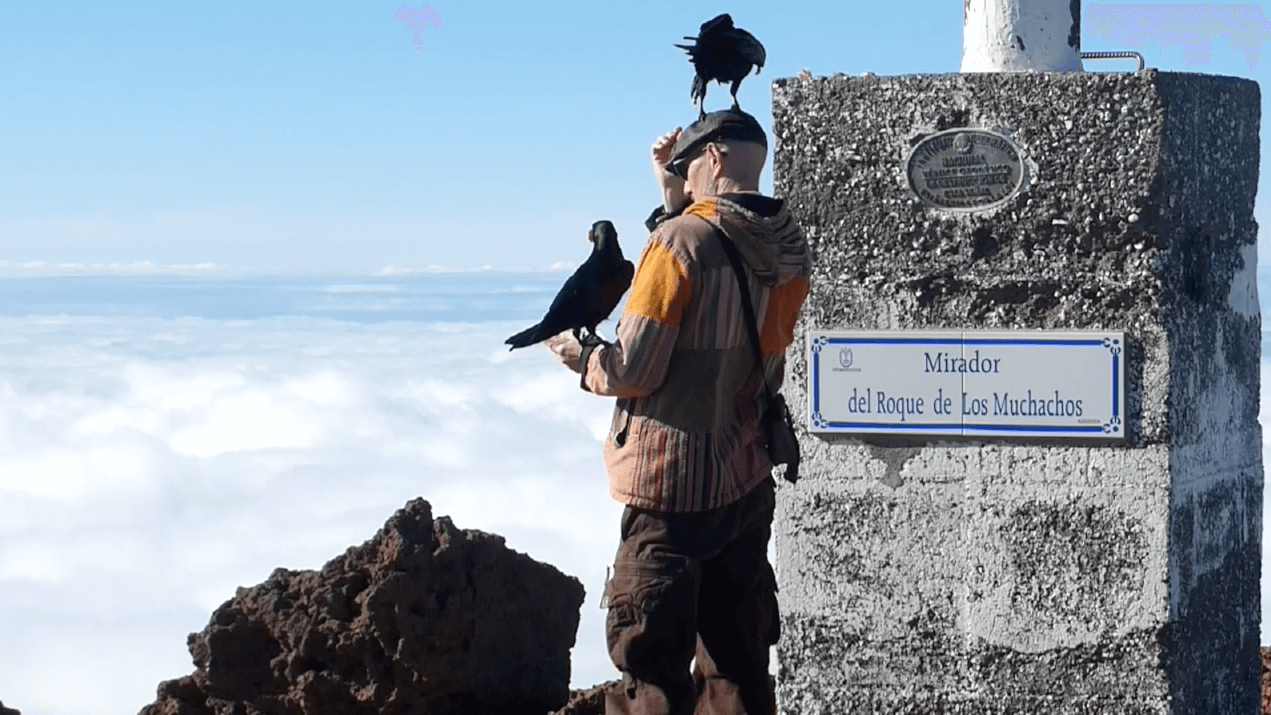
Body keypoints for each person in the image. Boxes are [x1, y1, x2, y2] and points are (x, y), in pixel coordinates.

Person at [545, 109, 811, 715]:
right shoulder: (789, 245)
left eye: (687, 170)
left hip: (672, 489)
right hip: (745, 477)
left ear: (713, 159)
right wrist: (673, 197)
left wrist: (581, 355)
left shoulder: (675, 246)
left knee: (653, 673)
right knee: (736, 671)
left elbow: (634, 368)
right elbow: (720, 259)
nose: (683, 183)